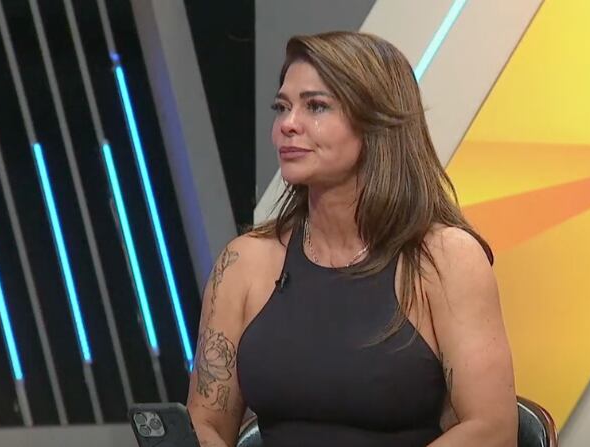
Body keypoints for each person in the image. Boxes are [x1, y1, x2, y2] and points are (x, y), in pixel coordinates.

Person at [186, 31, 517, 447]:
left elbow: (492, 429)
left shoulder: (446, 259)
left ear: (376, 122)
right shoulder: (243, 263)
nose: (288, 124)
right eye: (282, 107)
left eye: (316, 106)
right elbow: (204, 423)